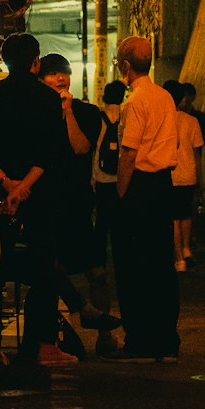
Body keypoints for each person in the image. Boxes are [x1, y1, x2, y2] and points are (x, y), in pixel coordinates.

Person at [0, 31, 74, 368]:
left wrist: (6, 184)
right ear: (35, 61)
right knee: (43, 267)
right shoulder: (47, 100)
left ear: (5, 61)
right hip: (39, 195)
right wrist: (23, 187)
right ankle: (43, 346)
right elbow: (52, 154)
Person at [105, 36, 180, 363]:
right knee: (161, 264)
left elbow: (128, 154)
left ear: (124, 66)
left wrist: (120, 196)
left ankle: (139, 341)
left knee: (133, 265)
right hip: (164, 186)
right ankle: (167, 341)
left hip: (140, 187)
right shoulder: (165, 97)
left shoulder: (134, 102)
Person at [37, 54, 120, 345]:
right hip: (46, 205)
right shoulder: (35, 112)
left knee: (97, 272)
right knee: (49, 271)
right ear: (40, 79)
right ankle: (55, 336)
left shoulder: (85, 112)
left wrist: (68, 112)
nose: (60, 78)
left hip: (78, 206)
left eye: (64, 73)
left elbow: (81, 147)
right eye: (52, 74)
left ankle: (105, 335)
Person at [91, 78, 126, 354]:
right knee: (121, 233)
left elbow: (93, 153)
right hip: (121, 184)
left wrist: (92, 180)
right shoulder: (126, 116)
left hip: (101, 183)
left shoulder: (98, 118)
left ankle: (99, 262)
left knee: (100, 230)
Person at [163, 81, 205, 271]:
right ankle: (187, 249)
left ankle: (178, 256)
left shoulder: (162, 119)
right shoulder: (192, 121)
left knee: (172, 217)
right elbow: (198, 154)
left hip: (168, 174)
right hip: (188, 174)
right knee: (185, 214)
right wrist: (200, 179)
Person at [180, 82, 205, 248]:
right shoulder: (175, 117)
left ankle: (190, 237)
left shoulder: (199, 119)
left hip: (192, 169)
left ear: (192, 97)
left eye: (187, 96)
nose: (185, 100)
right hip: (180, 170)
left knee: (191, 206)